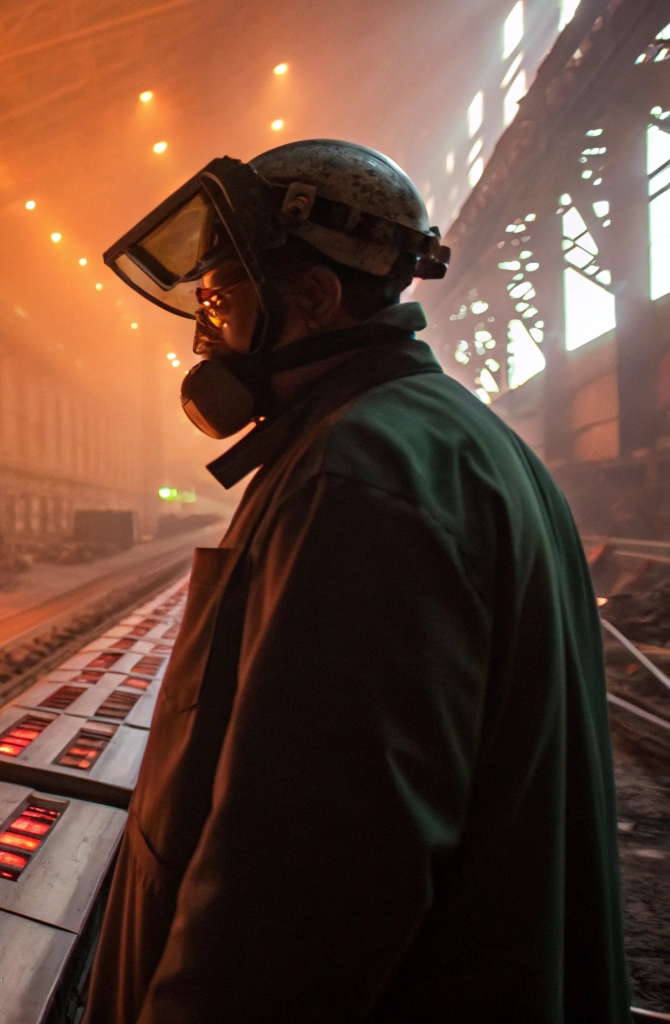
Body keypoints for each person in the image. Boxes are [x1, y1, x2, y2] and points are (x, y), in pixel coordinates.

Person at [84, 139, 631, 1023]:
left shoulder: (359, 472)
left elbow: (301, 890)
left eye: (221, 298)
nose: (203, 336)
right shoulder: (452, 442)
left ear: (313, 297)